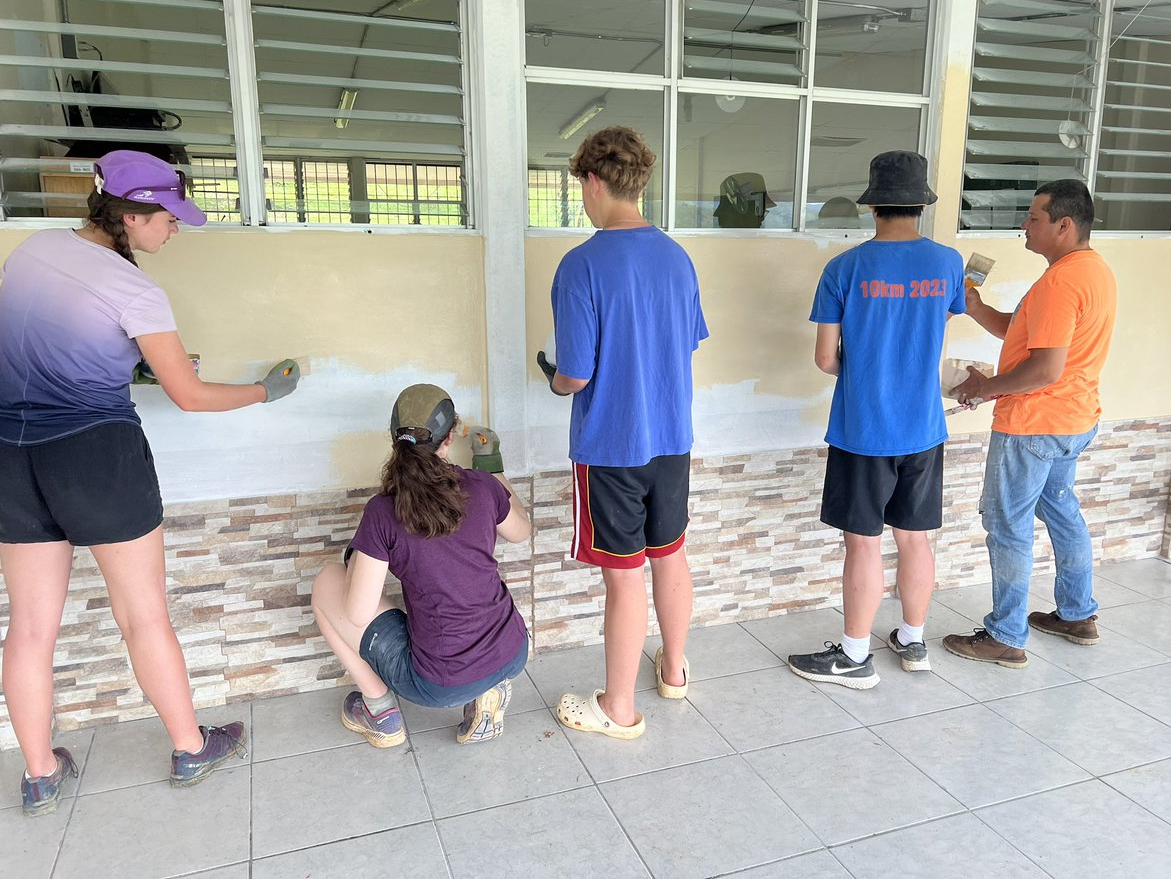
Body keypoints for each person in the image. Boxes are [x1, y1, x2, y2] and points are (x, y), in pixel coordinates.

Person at [0, 150, 300, 815]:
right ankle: (192, 748)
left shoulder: (31, 252)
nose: (174, 231)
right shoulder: (135, 290)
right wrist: (262, 391)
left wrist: (120, 360)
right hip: (95, 456)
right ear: (131, 215)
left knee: (28, 630)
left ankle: (40, 772)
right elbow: (188, 395)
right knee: (144, 616)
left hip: (11, 456)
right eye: (167, 219)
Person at [536, 126, 708, 739]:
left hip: (611, 446)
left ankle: (618, 708)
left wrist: (554, 379)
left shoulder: (581, 265)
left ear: (592, 180)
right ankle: (675, 673)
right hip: (672, 439)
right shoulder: (677, 257)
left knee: (623, 575)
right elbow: (684, 342)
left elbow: (576, 376)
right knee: (670, 556)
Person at [787, 151, 965, 689]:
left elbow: (824, 358)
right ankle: (913, 641)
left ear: (874, 207)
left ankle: (855, 655)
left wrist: (864, 375)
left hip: (864, 428)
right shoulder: (947, 263)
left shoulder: (845, 268)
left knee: (862, 542)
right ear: (920, 205)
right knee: (915, 538)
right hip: (925, 427)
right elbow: (943, 321)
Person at [943, 179, 1116, 667]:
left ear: (1064, 224)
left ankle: (1005, 635)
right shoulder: (1092, 271)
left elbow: (1043, 369)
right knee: (1061, 511)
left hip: (1035, 424)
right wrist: (975, 308)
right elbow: (1026, 337)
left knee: (1007, 523)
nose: (1025, 224)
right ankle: (1078, 614)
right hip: (1074, 418)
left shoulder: (1060, 283)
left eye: (1034, 217)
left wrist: (983, 387)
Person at [310, 385, 530, 748]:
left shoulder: (383, 511)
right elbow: (521, 531)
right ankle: (487, 690)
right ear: (451, 436)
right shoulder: (483, 486)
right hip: (512, 649)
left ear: (395, 439)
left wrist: (359, 562)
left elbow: (357, 611)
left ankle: (379, 712)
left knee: (327, 583)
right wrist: (493, 466)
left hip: (442, 685)